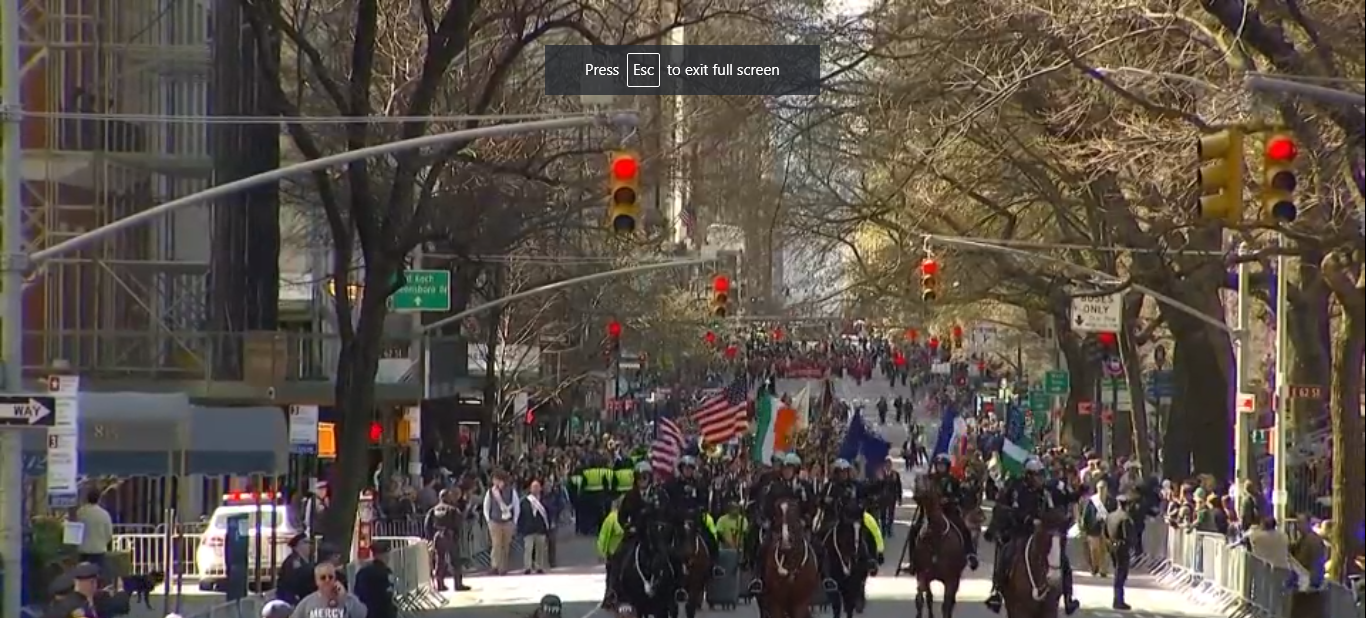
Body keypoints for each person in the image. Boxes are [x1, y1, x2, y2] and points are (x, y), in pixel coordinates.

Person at [910, 453, 978, 569]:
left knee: (963, 528)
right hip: (930, 513)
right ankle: (914, 561)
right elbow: (920, 495)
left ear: (947, 467)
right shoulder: (929, 480)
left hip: (948, 512)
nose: (940, 468)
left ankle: (970, 554)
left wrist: (950, 500)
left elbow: (960, 496)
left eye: (943, 465)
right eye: (939, 465)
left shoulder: (953, 481)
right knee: (914, 530)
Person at [290, 562, 368, 618]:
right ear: (316, 581)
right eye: (323, 578)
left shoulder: (347, 598)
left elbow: (362, 614)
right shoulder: (307, 602)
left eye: (330, 577)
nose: (327, 580)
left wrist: (345, 598)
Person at [424, 489, 465, 591]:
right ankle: (458, 584)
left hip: (438, 536)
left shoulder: (433, 510)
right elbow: (458, 524)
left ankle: (440, 585)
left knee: (440, 560)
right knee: (455, 561)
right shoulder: (453, 509)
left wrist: (430, 538)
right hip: (449, 535)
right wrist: (457, 536)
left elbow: (427, 525)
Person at [483, 470, 521, 575]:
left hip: (508, 522)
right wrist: (488, 520)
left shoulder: (512, 492)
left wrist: (514, 521)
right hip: (495, 522)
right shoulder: (490, 492)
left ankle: (503, 567)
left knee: (505, 545)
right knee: (496, 545)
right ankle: (495, 566)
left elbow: (516, 505)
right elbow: (486, 507)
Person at [1103, 492, 1134, 610]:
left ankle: (1118, 599)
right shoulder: (1125, 518)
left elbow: (1105, 532)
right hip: (1122, 547)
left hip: (1112, 545)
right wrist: (1131, 545)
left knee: (1117, 572)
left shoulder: (1110, 516)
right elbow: (1127, 535)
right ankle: (1118, 600)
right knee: (1121, 574)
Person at [596, 496, 627, 607]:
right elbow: (604, 535)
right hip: (614, 553)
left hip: (628, 551)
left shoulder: (630, 517)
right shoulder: (612, 518)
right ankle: (609, 596)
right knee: (612, 576)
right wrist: (601, 551)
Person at [73, 490, 113, 574]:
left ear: (87, 499)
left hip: (83, 550)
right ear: (99, 499)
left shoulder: (80, 513)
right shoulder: (104, 514)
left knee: (83, 576)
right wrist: (103, 543)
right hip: (98, 550)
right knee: (97, 576)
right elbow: (109, 533)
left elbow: (75, 530)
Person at [518, 479, 553, 574]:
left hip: (540, 528)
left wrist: (548, 527)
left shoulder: (544, 501)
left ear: (540, 488)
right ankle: (527, 567)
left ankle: (539, 567)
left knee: (540, 549)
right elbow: (520, 516)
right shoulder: (524, 501)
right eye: (533, 487)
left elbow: (549, 514)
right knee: (528, 549)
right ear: (530, 488)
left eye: (537, 487)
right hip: (528, 529)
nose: (535, 489)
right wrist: (520, 528)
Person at [353, 543, 397, 618]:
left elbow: (356, 593)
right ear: (384, 555)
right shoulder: (385, 573)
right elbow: (388, 595)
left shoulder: (362, 572)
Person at [276, 534, 315, 605]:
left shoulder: (304, 560)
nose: (309, 545)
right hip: (291, 600)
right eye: (305, 542)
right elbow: (293, 582)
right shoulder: (293, 561)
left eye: (309, 543)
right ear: (296, 546)